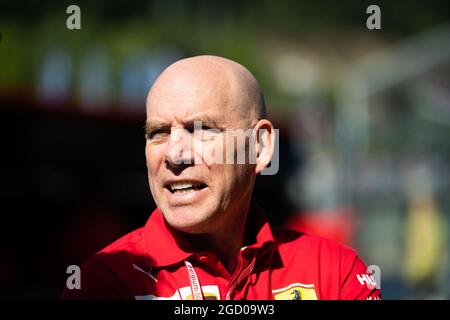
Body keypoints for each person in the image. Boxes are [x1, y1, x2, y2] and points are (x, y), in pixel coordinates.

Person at [62, 55, 381, 300]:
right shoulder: (106, 282)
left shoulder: (333, 271)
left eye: (200, 130)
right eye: (158, 133)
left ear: (259, 146)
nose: (175, 155)